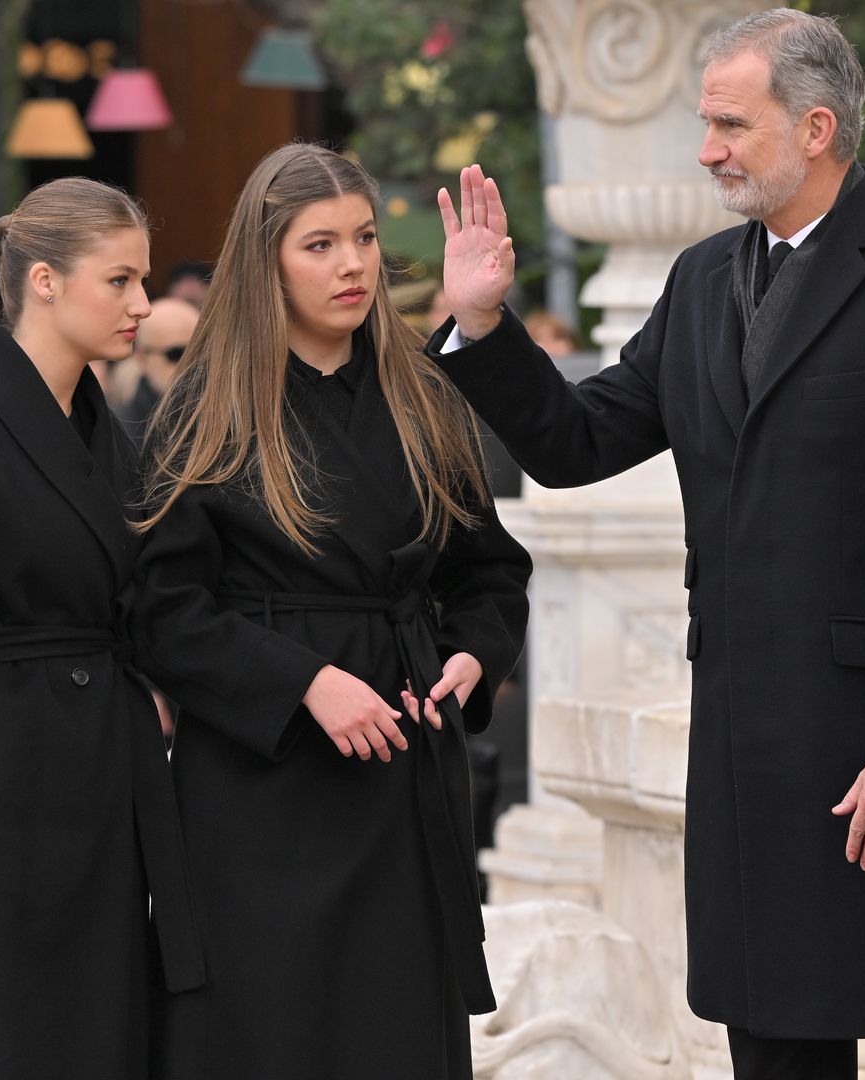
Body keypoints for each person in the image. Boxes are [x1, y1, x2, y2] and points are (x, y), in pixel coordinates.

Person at [431, 10, 865, 1079]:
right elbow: (580, 441)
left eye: (727, 123)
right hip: (740, 746)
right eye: (703, 123)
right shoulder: (703, 278)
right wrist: (485, 327)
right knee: (764, 1040)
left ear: (815, 128)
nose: (705, 149)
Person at [132, 142, 531, 1079]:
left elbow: (489, 571)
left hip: (404, 766)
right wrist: (304, 683)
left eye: (361, 238)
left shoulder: (423, 394)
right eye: (319, 245)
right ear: (265, 260)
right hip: (262, 787)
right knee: (272, 1030)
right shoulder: (207, 412)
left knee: (395, 1031)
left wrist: (471, 655)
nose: (352, 264)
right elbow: (162, 612)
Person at [0, 178, 203, 1078]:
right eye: (117, 281)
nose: (142, 304)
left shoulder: (109, 429)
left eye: (142, 280)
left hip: (102, 769)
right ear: (44, 280)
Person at [116, 296, 199, 449]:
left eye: (199, 352)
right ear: (143, 359)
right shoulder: (116, 432)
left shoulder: (224, 424)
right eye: (176, 354)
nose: (189, 364)